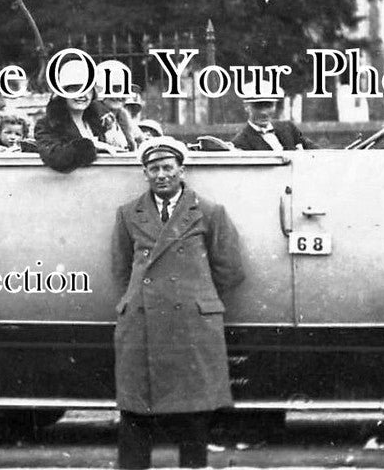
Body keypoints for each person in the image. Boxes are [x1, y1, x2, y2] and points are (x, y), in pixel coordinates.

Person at [112, 136, 245, 469]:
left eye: (167, 167)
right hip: (142, 323)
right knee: (136, 414)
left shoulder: (210, 211)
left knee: (193, 415)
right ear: (144, 173)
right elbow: (120, 268)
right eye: (153, 168)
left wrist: (192, 295)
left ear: (181, 170)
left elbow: (230, 270)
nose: (161, 175)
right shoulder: (129, 213)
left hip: (191, 324)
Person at [34, 60, 119, 172]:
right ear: (63, 93)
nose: (82, 95)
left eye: (87, 89)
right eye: (75, 88)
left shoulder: (99, 121)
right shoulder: (47, 124)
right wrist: (90, 146)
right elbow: (55, 157)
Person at [230, 95, 317, 151]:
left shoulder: (288, 127)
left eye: (268, 105)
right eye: (258, 106)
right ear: (246, 107)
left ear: (275, 105)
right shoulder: (240, 143)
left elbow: (317, 152)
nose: (264, 112)